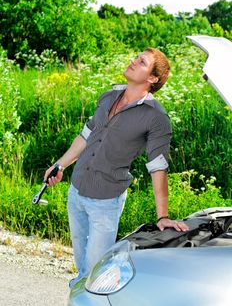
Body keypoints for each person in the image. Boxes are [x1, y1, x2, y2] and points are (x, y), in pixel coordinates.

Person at [44, 47, 189, 287]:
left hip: (105, 202)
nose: (133, 61)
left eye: (141, 62)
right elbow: (86, 135)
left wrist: (162, 215)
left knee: (94, 274)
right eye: (136, 57)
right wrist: (60, 164)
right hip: (76, 190)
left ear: (152, 78)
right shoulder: (109, 96)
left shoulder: (156, 117)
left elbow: (158, 166)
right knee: (83, 269)